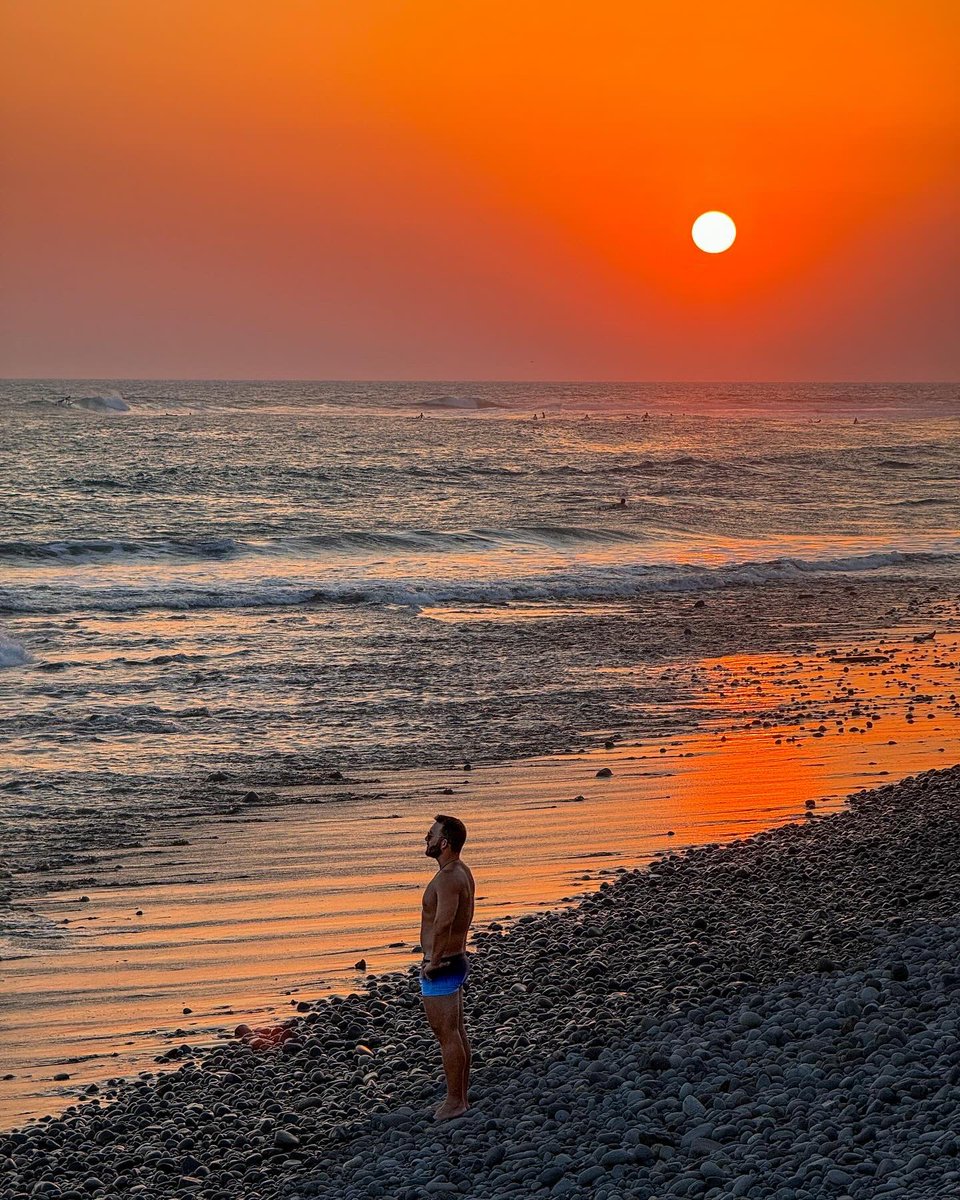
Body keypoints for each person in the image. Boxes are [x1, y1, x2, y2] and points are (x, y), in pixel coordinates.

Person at [420, 813, 475, 1120]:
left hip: (443, 965)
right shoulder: (461, 871)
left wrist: (434, 962)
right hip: (455, 960)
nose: (425, 840)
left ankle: (454, 1101)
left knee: (447, 1035)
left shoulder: (448, 878)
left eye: (430, 836)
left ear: (444, 843)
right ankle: (460, 1097)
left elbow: (443, 924)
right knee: (456, 1031)